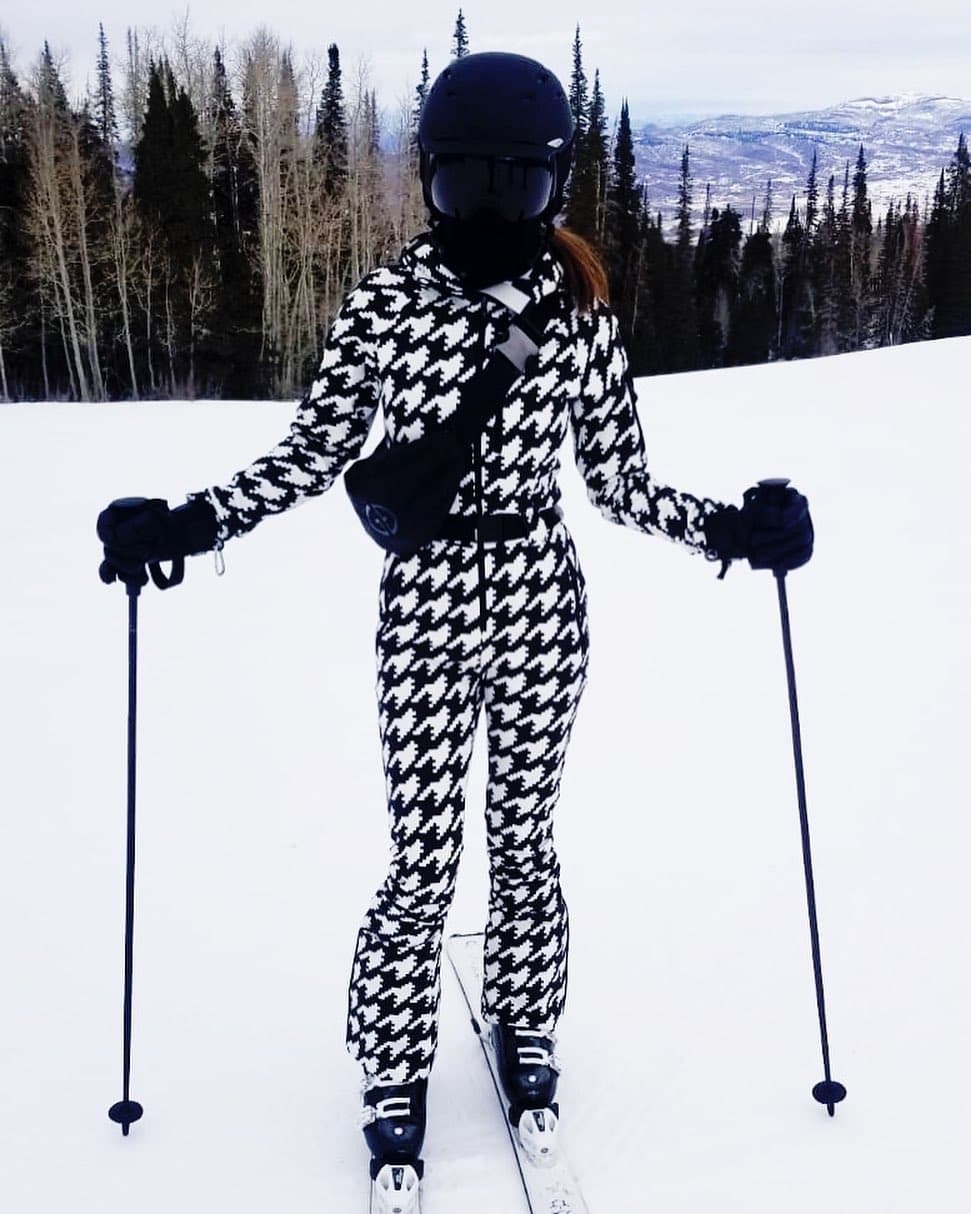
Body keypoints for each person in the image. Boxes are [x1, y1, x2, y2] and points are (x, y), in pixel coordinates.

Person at [97, 51, 812, 1206]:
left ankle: (528, 1025)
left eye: (514, 190)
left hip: (537, 590)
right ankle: (394, 1062)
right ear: (431, 182)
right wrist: (188, 519)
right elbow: (313, 452)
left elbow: (619, 483)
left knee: (524, 839)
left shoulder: (577, 316)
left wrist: (736, 526)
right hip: (426, 596)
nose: (487, 212)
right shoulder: (386, 301)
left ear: (550, 188)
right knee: (423, 858)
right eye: (464, 187)